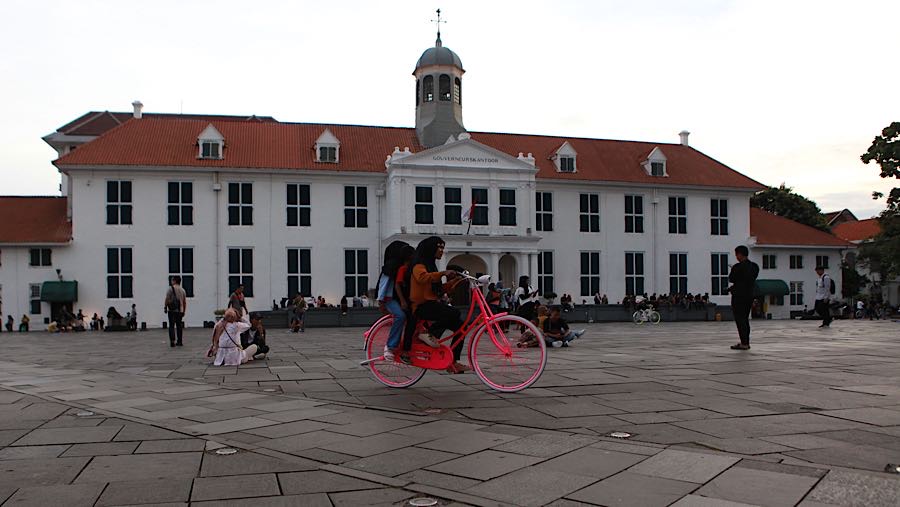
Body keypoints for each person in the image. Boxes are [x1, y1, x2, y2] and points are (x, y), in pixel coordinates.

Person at [408, 236, 469, 374]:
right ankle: (428, 334)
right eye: (439, 247)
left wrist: (455, 281)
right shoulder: (419, 265)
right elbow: (422, 278)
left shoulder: (431, 266)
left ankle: (453, 361)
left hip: (431, 304)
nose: (442, 251)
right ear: (431, 249)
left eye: (443, 248)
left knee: (462, 327)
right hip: (420, 306)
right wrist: (443, 273)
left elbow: (438, 291)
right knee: (454, 313)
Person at [376, 241, 414, 362]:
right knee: (400, 316)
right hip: (389, 299)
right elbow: (383, 285)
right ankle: (390, 346)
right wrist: (381, 301)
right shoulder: (391, 267)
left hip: (397, 298)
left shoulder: (401, 267)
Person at [727, 245, 759, 350]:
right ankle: (746, 341)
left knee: (740, 319)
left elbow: (731, 279)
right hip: (749, 295)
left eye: (736, 254)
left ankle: (744, 343)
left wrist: (734, 270)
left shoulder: (737, 267)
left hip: (738, 296)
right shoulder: (754, 266)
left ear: (740, 254)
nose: (736, 256)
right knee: (745, 319)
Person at [164, 276, 187, 347]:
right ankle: (179, 341)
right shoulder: (183, 290)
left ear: (174, 281)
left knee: (171, 325)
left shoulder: (170, 289)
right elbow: (184, 302)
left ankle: (172, 341)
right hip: (180, 310)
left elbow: (167, 299)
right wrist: (184, 311)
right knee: (179, 326)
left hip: (172, 310)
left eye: (172, 280)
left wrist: (165, 307)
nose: (171, 281)